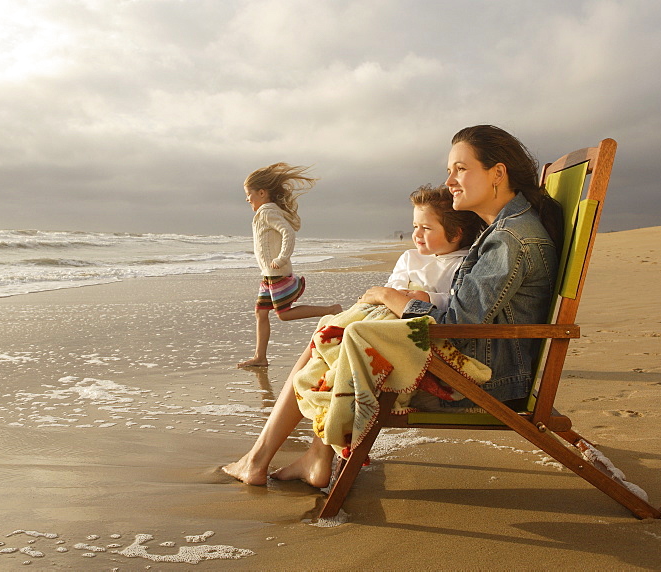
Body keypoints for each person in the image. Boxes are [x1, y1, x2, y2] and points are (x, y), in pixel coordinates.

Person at [222, 125, 561, 488]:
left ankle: (262, 460)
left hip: (480, 381)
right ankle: (308, 458)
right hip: (488, 360)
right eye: (450, 171)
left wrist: (388, 297)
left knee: (340, 335)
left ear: (498, 173)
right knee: (335, 333)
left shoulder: (510, 240)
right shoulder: (507, 229)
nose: (450, 181)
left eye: (460, 169)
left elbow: (457, 322)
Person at [239, 162, 343, 368]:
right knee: (260, 313)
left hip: (277, 272)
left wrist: (281, 258)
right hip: (268, 274)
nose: (247, 199)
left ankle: (331, 309)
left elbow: (288, 233)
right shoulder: (264, 212)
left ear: (261, 192)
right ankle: (260, 357)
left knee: (284, 315)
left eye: (249, 194)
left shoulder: (268, 212)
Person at [383, 184, 485, 312]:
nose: (417, 234)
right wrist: (400, 294)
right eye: (415, 226)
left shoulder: (466, 265)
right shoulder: (409, 257)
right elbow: (394, 285)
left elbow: (462, 303)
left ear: (454, 234)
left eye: (426, 228)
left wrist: (429, 298)